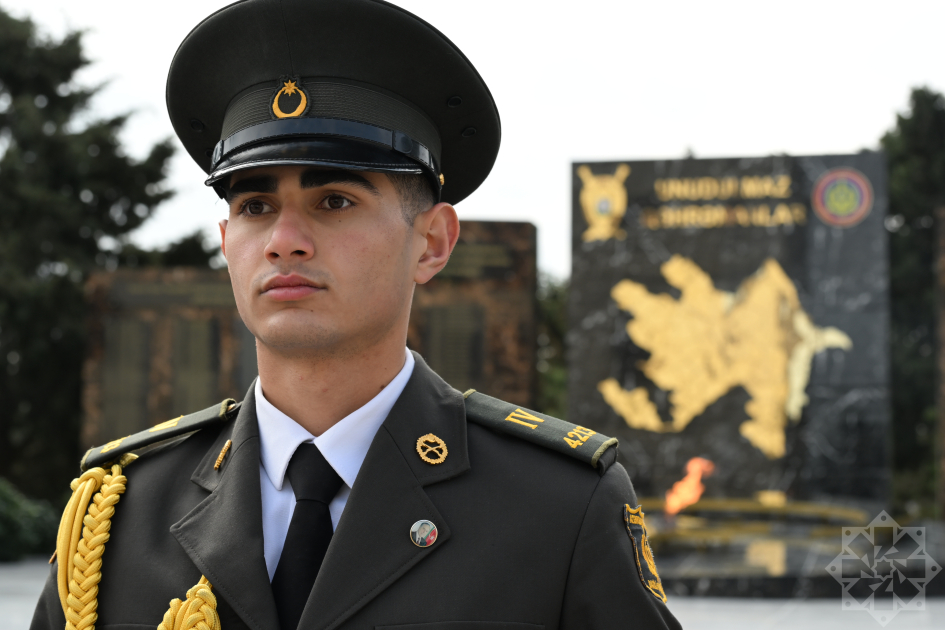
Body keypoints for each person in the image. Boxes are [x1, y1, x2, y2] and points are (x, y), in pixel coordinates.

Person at [31, 1, 681, 629]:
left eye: (334, 201)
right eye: (255, 206)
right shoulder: (119, 514)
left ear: (432, 242)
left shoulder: (558, 507)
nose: (284, 240)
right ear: (226, 244)